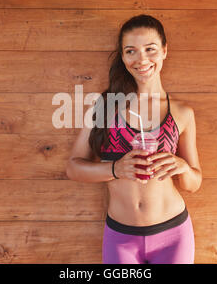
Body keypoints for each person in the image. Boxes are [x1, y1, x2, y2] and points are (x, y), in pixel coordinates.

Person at [66, 14, 202, 264]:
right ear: (123, 56)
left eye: (150, 49)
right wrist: (116, 169)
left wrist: (182, 167)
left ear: (164, 51)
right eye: (131, 51)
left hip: (173, 234)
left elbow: (193, 183)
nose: (141, 60)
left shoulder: (182, 113)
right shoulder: (105, 107)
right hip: (121, 236)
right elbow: (74, 168)